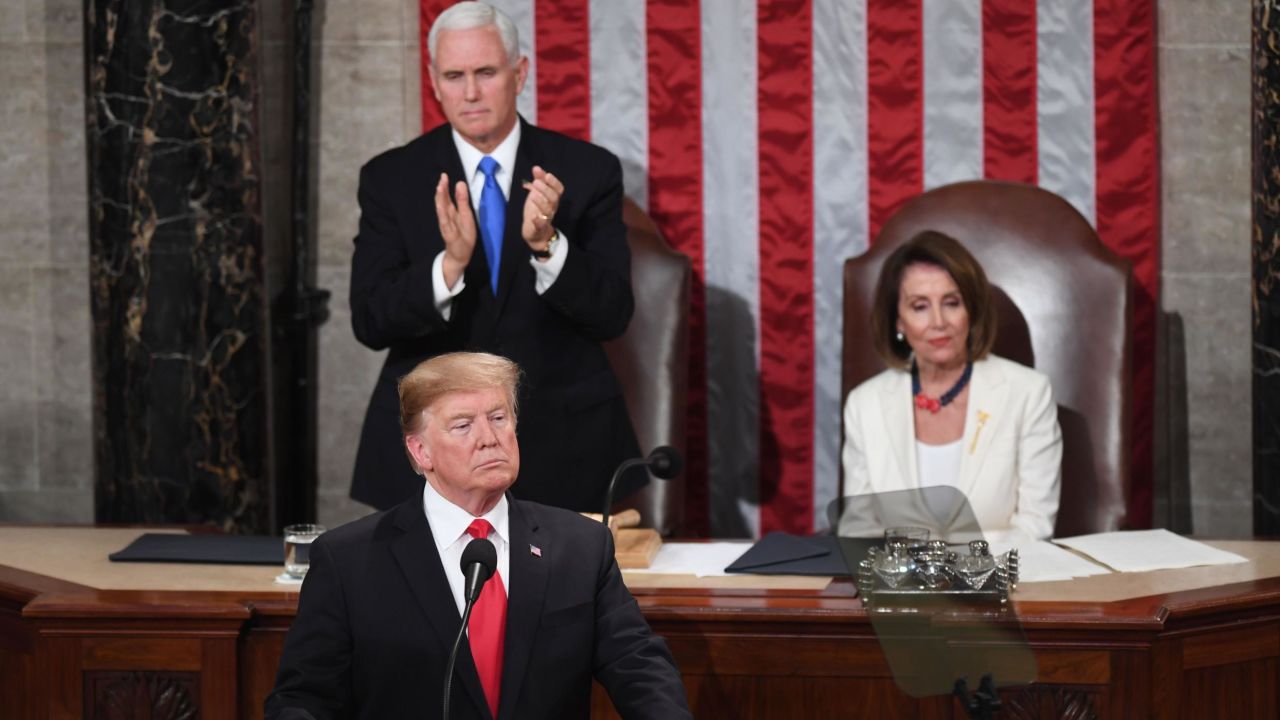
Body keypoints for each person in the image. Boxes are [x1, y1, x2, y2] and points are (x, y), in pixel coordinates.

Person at [266, 352, 691, 719]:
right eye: (463, 425)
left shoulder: (580, 545)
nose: (489, 439)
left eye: (499, 418)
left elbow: (637, 663)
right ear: (420, 451)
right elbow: (304, 699)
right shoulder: (349, 562)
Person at [348, 1, 641, 514]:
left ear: (519, 73)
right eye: (454, 76)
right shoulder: (390, 178)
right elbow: (371, 319)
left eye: (486, 72)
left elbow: (613, 313)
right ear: (435, 83)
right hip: (429, 456)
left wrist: (547, 244)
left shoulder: (587, 171)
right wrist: (450, 266)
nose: (471, 92)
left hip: (564, 447)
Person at [841, 231, 1062, 541]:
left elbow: (1035, 526)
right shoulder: (865, 404)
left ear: (970, 312)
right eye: (920, 306)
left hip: (999, 582)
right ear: (898, 322)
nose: (938, 321)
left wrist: (958, 571)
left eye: (951, 303)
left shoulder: (1027, 393)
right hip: (898, 586)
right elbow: (858, 531)